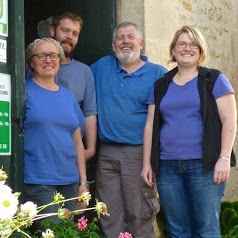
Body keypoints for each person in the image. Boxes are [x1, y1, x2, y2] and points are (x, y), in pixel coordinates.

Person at [142, 25, 237, 237]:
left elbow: (229, 119)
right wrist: (147, 163)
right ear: (173, 50)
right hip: (167, 168)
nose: (187, 48)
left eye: (193, 43)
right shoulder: (160, 85)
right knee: (177, 230)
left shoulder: (213, 79)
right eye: (182, 43)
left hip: (205, 166)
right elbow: (150, 126)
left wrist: (223, 157)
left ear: (200, 50)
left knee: (207, 229)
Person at [91, 22, 168, 238]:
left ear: (141, 43)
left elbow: (170, 116)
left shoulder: (158, 73)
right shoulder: (100, 67)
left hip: (139, 153)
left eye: (130, 37)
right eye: (120, 37)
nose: (125, 41)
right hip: (106, 153)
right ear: (113, 44)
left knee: (140, 214)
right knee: (107, 213)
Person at [24, 38, 88, 233]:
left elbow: (77, 142)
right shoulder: (23, 92)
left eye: (53, 55)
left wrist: (83, 182)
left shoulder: (68, 96)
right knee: (54, 232)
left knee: (70, 233)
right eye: (41, 55)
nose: (48, 60)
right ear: (31, 62)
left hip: (69, 181)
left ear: (59, 60)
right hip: (39, 180)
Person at [26, 12, 97, 162]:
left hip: (71, 153)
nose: (70, 37)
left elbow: (89, 113)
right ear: (52, 31)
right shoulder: (31, 68)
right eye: (65, 31)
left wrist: (90, 149)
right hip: (36, 153)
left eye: (75, 33)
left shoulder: (84, 72)